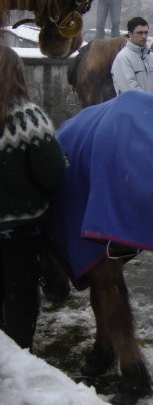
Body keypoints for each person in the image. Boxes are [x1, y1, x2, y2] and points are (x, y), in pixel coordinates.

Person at [0, 46, 66, 350]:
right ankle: (15, 375)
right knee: (19, 307)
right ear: (16, 74)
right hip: (19, 236)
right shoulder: (28, 119)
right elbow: (52, 176)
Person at [111, 17, 153, 94]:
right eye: (139, 33)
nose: (143, 36)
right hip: (134, 105)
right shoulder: (123, 58)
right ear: (130, 34)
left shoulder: (151, 56)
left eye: (146, 33)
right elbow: (130, 90)